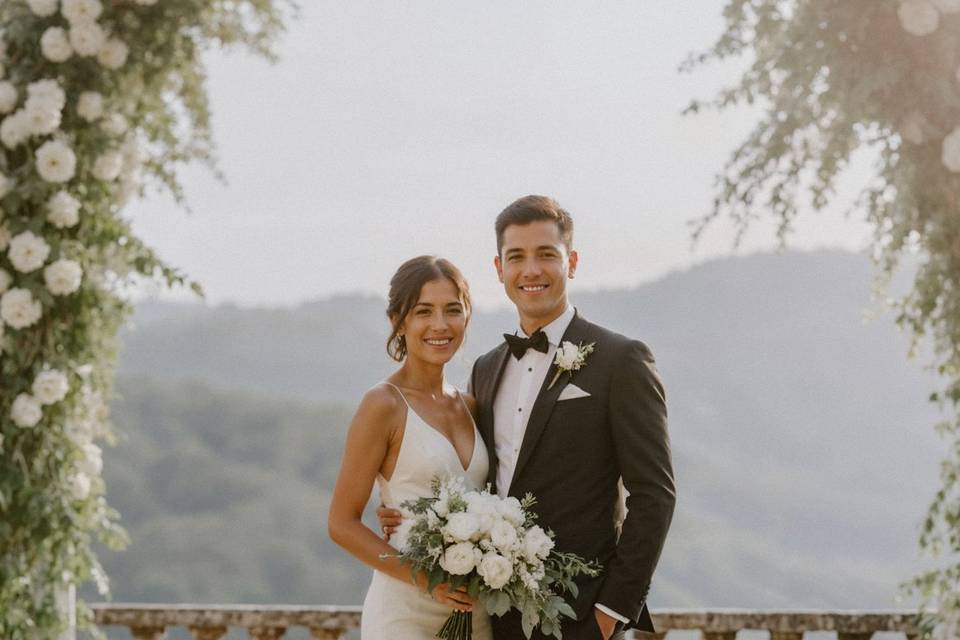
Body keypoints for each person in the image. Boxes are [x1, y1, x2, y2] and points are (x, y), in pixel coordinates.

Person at [379, 195, 676, 640]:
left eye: (546, 255)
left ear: (571, 262)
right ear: (499, 269)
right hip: (494, 613)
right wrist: (408, 509)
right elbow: (476, 478)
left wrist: (611, 612)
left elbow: (654, 494)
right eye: (516, 257)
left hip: (583, 615)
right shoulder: (485, 368)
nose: (530, 270)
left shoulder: (622, 360)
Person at [327, 256, 493, 640]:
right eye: (423, 312)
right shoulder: (382, 404)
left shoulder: (471, 406)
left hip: (477, 613)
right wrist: (427, 580)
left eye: (453, 310)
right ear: (398, 322)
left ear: (467, 318)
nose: (440, 324)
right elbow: (341, 523)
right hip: (405, 613)